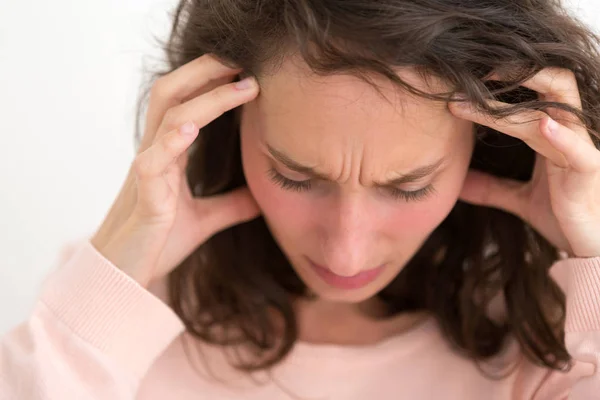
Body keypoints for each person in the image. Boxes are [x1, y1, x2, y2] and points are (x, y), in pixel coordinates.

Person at [2, 0, 600, 398]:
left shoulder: (549, 345)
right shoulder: (103, 320)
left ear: (491, 145)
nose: (345, 254)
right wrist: (112, 276)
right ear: (220, 120)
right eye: (295, 176)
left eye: (408, 186)